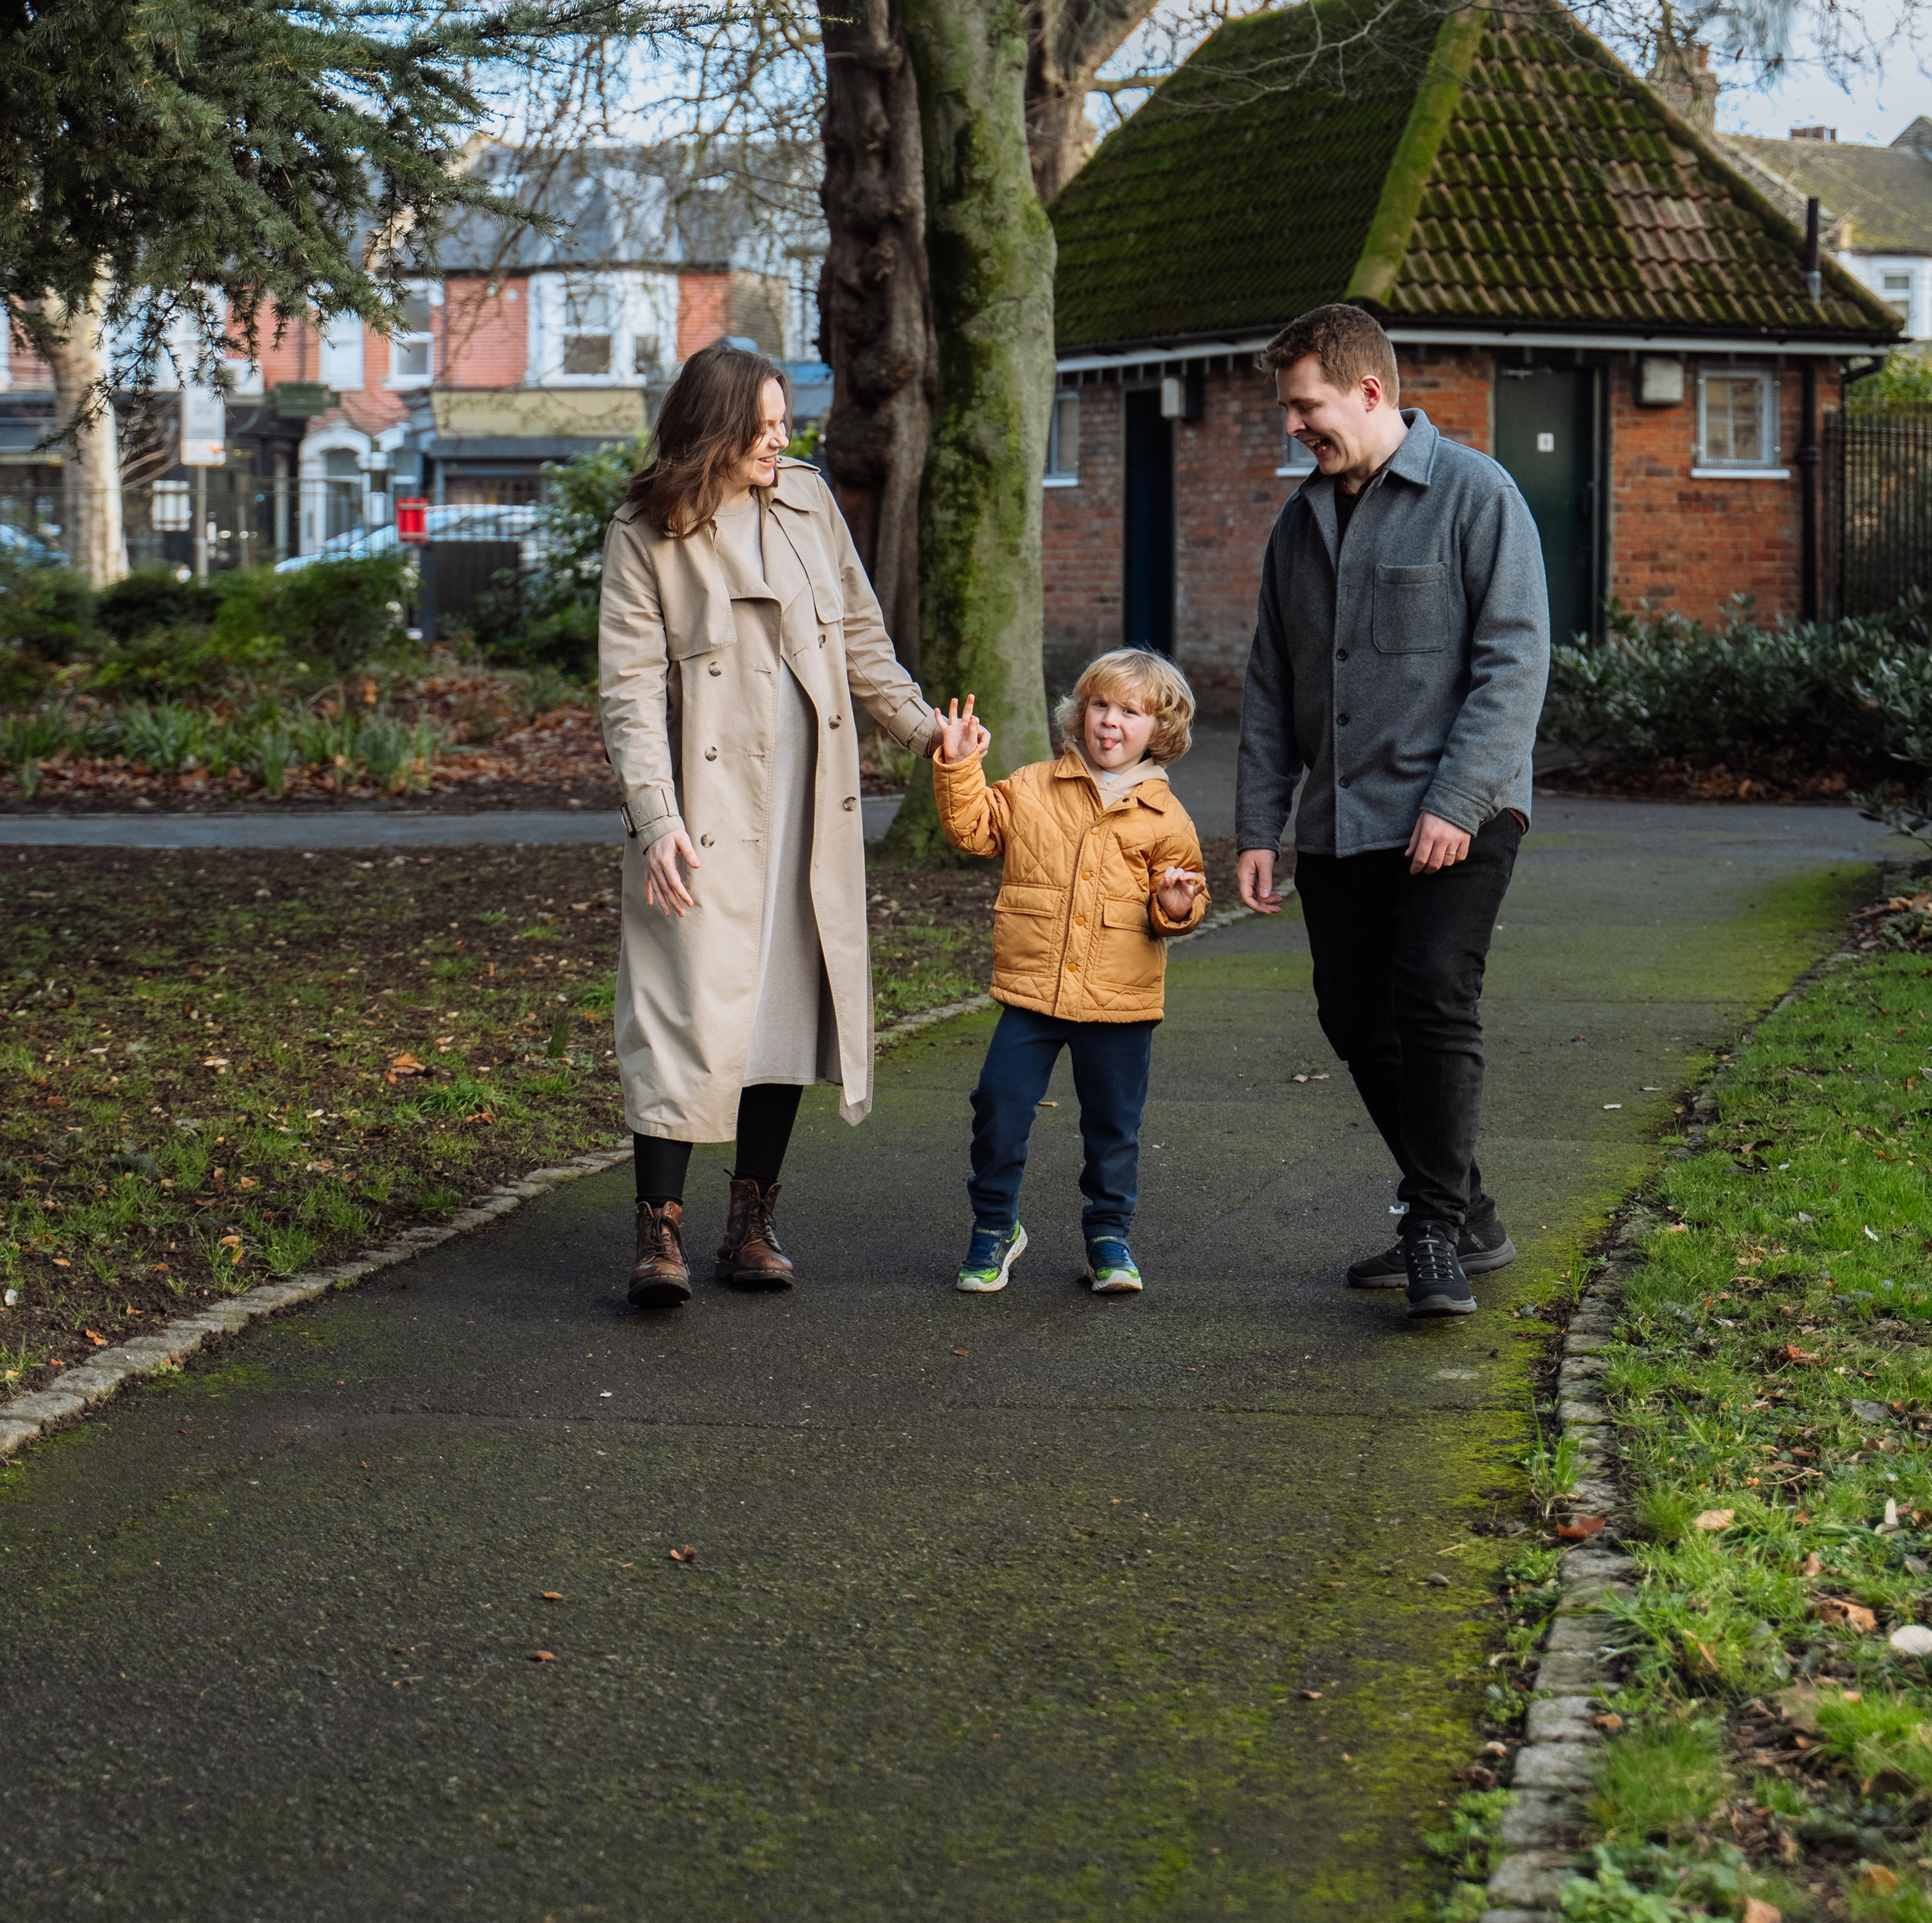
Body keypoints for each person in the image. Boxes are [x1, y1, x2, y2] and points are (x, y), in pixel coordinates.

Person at [599, 340, 942, 1306]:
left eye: (785, 423)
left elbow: (863, 635)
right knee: (682, 1002)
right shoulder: (644, 529)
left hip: (808, 792)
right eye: (762, 427)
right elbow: (627, 692)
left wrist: (923, 732)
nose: (781, 440)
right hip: (700, 811)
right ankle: (656, 1231)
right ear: (715, 429)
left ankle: (751, 1221)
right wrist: (655, 819)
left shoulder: (808, 501)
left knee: (787, 998)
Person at [1235, 303, 1550, 1319]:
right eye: (1290, 409)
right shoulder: (1301, 523)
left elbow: (1514, 662)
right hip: (1341, 819)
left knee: (1430, 994)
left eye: (1305, 406)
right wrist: (1257, 827)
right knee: (1352, 1013)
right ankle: (1471, 1213)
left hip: (1464, 810)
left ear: (1370, 392)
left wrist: (1458, 802)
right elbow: (1273, 684)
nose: (1294, 426)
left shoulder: (1475, 496)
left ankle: (1429, 1226)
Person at [934, 650, 1209, 1298]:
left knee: (1113, 1125)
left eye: (1131, 712)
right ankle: (995, 1227)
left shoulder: (1167, 817)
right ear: (1080, 713)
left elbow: (1187, 897)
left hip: (1120, 1001)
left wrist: (1173, 906)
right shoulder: (1033, 785)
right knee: (999, 1106)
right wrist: (959, 763)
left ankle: (1109, 1237)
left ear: (1159, 731)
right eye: (1100, 705)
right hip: (1032, 991)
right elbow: (975, 830)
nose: (1110, 721)